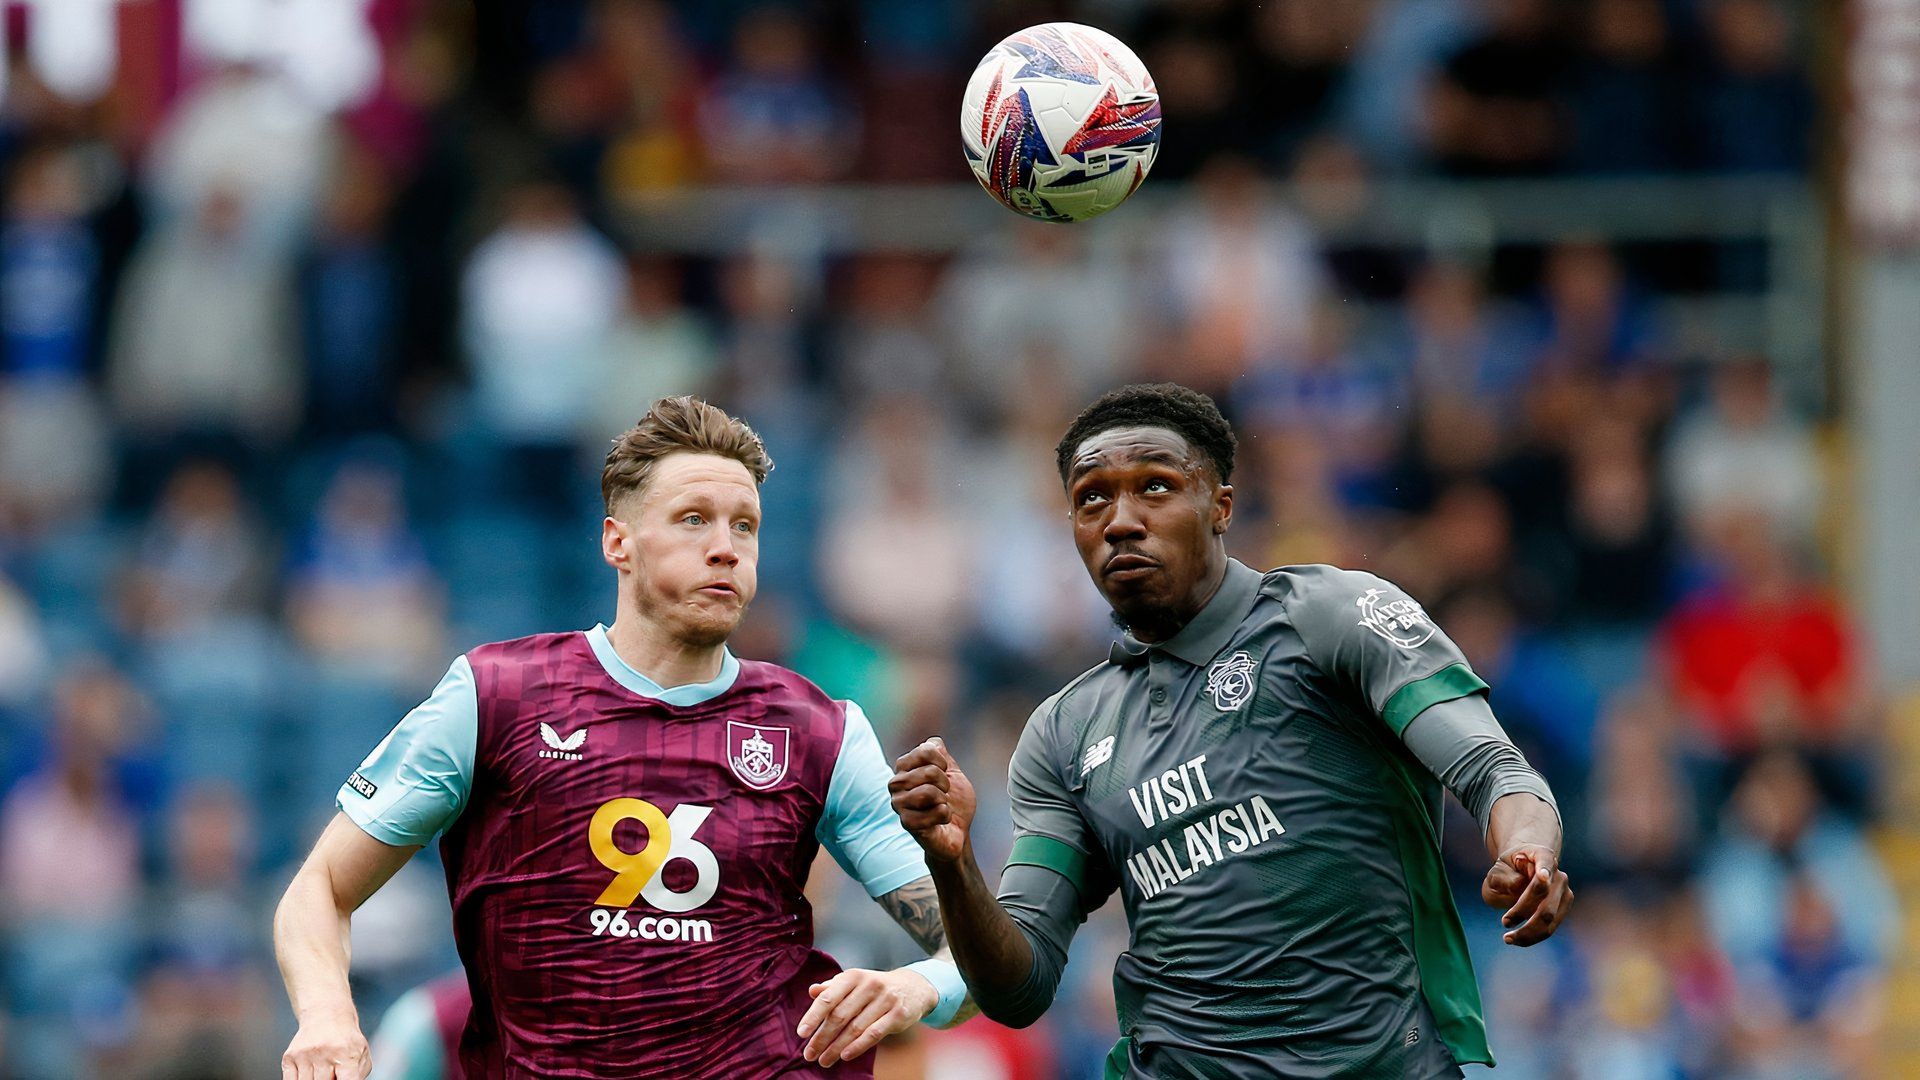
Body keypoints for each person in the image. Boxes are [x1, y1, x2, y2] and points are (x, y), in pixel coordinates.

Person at [275, 396, 972, 1078]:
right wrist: (328, 1016)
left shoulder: (820, 731)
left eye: (745, 527)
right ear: (618, 542)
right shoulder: (497, 695)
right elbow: (319, 888)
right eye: (694, 521)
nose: (725, 549)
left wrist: (919, 987)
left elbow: (976, 957)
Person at [891, 383, 1573, 1077]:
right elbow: (1019, 985)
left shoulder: (1330, 616)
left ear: (1220, 505)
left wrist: (1527, 851)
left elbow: (1494, 770)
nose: (1121, 519)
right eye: (1093, 497)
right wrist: (953, 863)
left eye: (1154, 487)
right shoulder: (1063, 733)